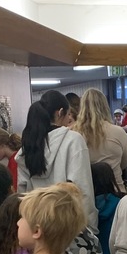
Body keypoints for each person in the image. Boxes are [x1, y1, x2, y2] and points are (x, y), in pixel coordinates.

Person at [16, 89, 97, 231]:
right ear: (60, 113)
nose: (69, 120)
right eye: (68, 114)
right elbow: (83, 190)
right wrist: (90, 227)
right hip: (69, 227)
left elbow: (23, 194)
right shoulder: (73, 140)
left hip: (39, 227)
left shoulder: (27, 148)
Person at [73, 88, 127, 192]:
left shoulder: (74, 134)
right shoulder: (119, 132)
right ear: (105, 106)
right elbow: (125, 162)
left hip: (87, 193)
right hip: (116, 191)